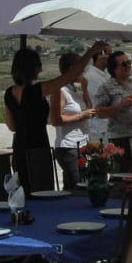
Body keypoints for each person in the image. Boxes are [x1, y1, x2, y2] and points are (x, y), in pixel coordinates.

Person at [4, 41, 109, 193]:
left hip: (19, 149)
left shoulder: (9, 93)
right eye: (39, 65)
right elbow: (69, 75)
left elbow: (11, 125)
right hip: (38, 148)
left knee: (23, 192)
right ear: (31, 68)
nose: (41, 69)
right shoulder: (37, 90)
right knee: (42, 192)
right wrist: (90, 52)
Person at [94, 50, 132, 171]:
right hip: (120, 139)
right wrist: (120, 106)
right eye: (124, 64)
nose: (128, 66)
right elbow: (99, 113)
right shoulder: (106, 87)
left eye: (129, 63)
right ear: (114, 69)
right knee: (124, 176)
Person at [49, 52, 98, 190]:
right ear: (72, 68)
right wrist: (81, 116)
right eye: (81, 67)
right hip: (68, 146)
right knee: (77, 186)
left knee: (77, 185)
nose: (83, 71)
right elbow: (55, 120)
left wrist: (85, 89)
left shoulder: (74, 89)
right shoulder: (60, 90)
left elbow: (89, 109)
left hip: (81, 144)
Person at [83, 47, 111, 144]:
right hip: (99, 128)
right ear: (100, 55)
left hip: (108, 125)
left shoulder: (106, 74)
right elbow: (106, 99)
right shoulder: (91, 76)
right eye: (109, 54)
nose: (111, 58)